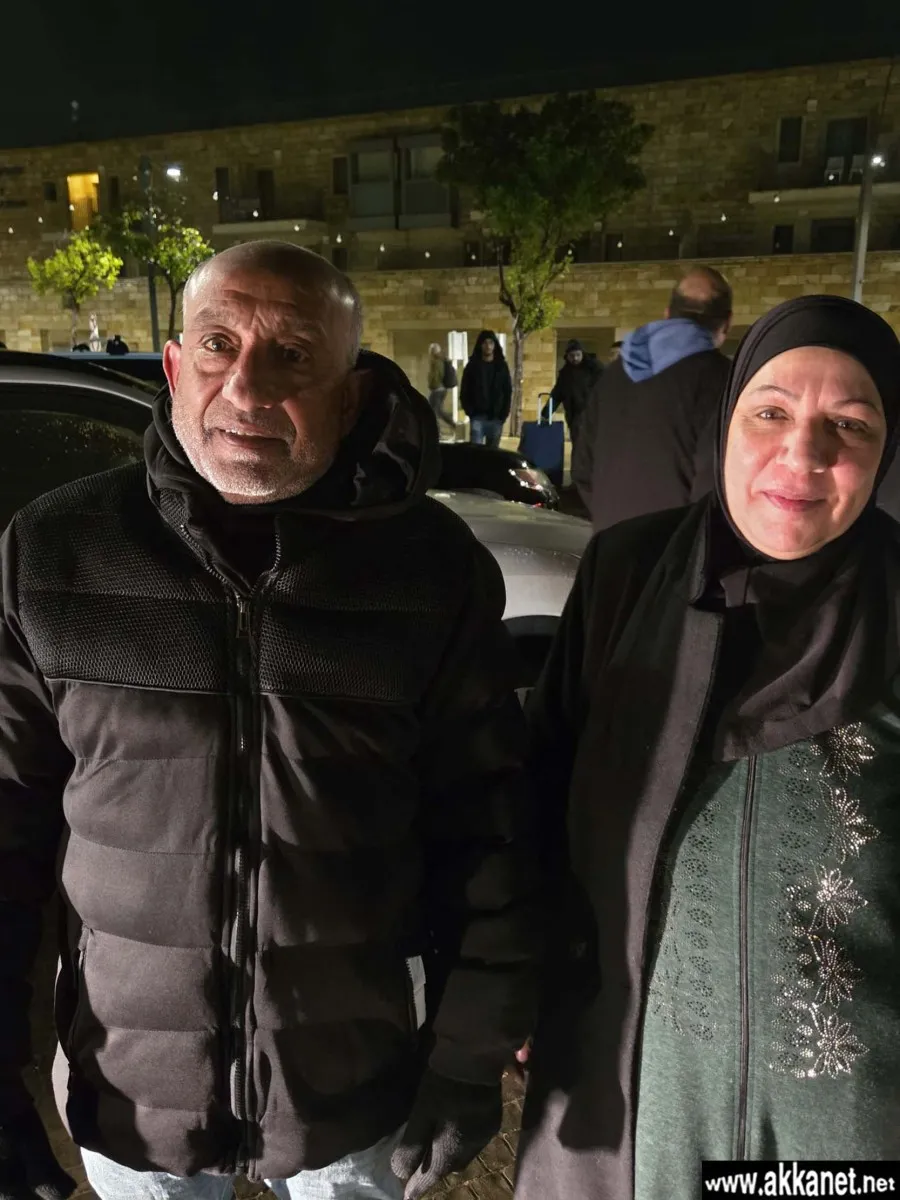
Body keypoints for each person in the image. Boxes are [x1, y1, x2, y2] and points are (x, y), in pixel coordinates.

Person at [0, 242, 544, 1200]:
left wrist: (467, 1054)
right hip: (133, 1096)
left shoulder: (430, 570)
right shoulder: (56, 552)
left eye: (292, 355)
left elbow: (489, 824)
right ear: (175, 366)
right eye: (218, 344)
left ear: (351, 394)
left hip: (353, 1095)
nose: (246, 387)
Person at [515, 295, 900, 1200]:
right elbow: (539, 796)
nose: (803, 453)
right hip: (628, 1084)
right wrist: (516, 980)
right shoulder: (626, 572)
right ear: (726, 422)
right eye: (771, 412)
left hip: (836, 1118)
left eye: (850, 423)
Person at [572, 267, 732, 529]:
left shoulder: (613, 375)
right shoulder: (723, 381)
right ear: (726, 324)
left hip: (612, 540)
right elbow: (718, 488)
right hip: (677, 546)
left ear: (667, 314)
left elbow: (582, 468)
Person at [540, 340, 602, 449]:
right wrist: (546, 413)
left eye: (578, 355)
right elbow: (557, 394)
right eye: (572, 355)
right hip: (573, 416)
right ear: (567, 356)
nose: (575, 358)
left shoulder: (595, 368)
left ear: (583, 354)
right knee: (578, 444)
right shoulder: (565, 373)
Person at [460, 330, 512, 449]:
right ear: (480, 345)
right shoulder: (472, 366)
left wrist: (503, 414)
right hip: (477, 416)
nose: (488, 346)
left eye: (491, 343)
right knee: (476, 453)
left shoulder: (501, 367)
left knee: (493, 454)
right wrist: (470, 411)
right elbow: (465, 390)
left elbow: (507, 391)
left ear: (495, 345)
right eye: (485, 343)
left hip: (496, 418)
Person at [426, 342, 456, 436]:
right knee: (437, 411)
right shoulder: (440, 360)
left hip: (437, 390)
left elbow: (436, 376)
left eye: (431, 351)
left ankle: (437, 432)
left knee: (432, 411)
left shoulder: (437, 361)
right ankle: (451, 424)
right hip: (440, 389)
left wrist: (432, 384)